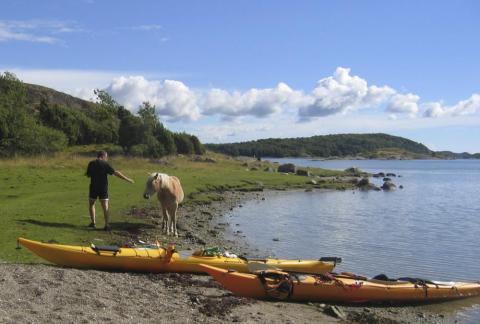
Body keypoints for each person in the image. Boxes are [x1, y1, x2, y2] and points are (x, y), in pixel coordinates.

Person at [86, 150, 134, 231]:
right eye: (106, 157)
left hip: (93, 186)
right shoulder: (105, 164)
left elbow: (88, 174)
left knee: (91, 204)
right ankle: (106, 225)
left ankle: (93, 223)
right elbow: (116, 173)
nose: (107, 158)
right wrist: (127, 179)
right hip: (103, 187)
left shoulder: (91, 163)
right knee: (105, 206)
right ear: (103, 156)